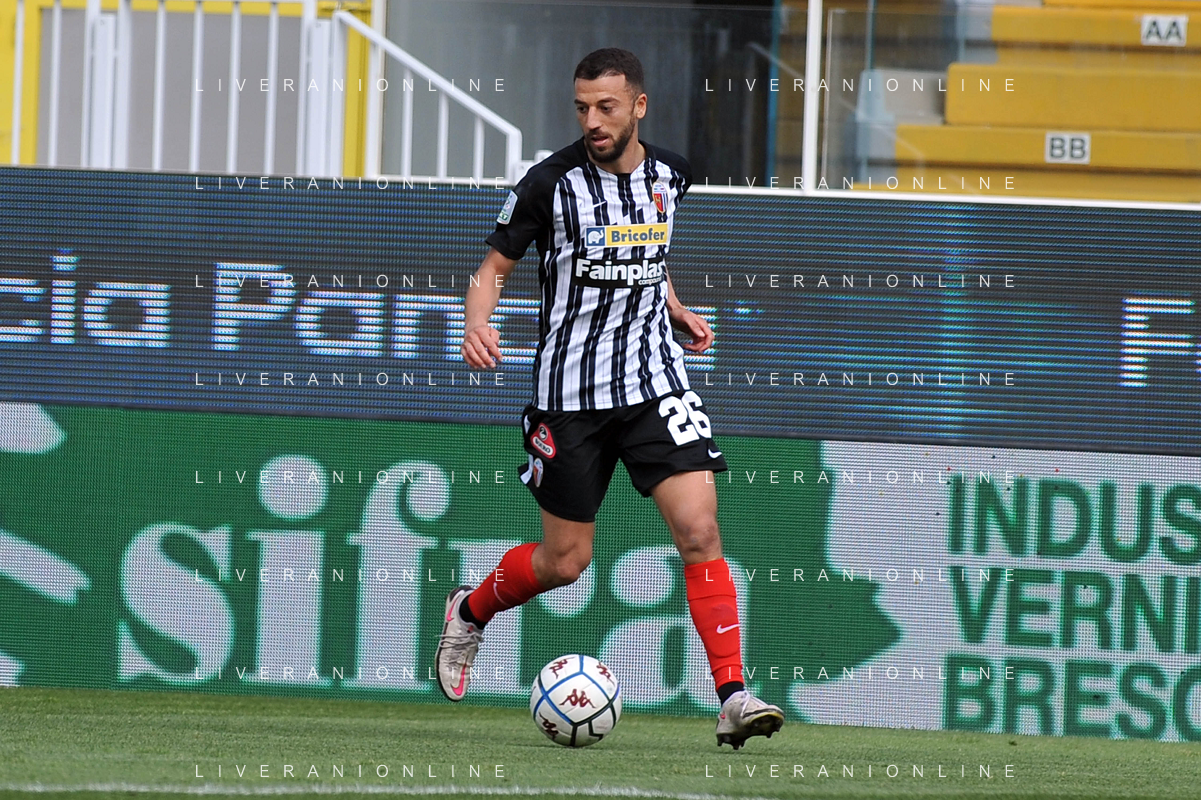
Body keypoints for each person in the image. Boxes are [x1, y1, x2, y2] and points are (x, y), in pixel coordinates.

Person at [435, 47, 784, 750]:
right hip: (570, 395)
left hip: (655, 383)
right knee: (565, 562)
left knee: (699, 531)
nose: (592, 121)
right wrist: (476, 321)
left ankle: (731, 697)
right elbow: (492, 267)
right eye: (582, 108)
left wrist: (673, 306)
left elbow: (650, 254)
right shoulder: (549, 183)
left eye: (606, 107)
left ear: (638, 107)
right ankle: (470, 611)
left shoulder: (672, 175)